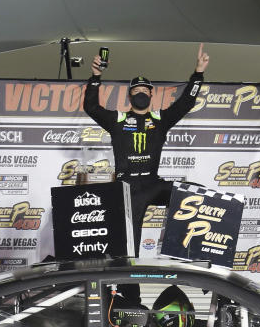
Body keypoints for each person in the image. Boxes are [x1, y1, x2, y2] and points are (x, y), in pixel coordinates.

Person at [83, 44, 209, 259]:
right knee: (129, 247)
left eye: (144, 91)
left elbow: (186, 102)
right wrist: (96, 76)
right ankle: (129, 292)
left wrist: (198, 73)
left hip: (153, 183)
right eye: (136, 91)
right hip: (127, 188)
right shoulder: (118, 120)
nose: (140, 93)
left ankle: (193, 255)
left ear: (152, 94)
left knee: (201, 195)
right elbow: (91, 107)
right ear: (129, 96)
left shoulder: (160, 119)